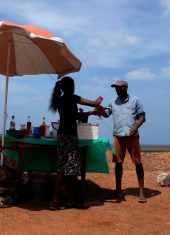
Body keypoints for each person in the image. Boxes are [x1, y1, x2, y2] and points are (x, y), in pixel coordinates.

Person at [48, 76, 102, 210]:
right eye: (72, 86)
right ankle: (55, 200)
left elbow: (77, 113)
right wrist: (96, 106)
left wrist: (94, 108)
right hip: (69, 136)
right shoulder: (71, 98)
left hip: (63, 136)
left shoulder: (60, 100)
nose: (74, 88)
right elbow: (80, 113)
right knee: (65, 169)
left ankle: (70, 199)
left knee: (68, 168)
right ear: (67, 87)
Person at [102, 80, 147, 203]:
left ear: (126, 87)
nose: (117, 89)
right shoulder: (112, 101)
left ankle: (141, 191)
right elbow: (106, 114)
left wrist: (136, 127)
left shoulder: (135, 100)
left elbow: (142, 116)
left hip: (132, 136)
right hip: (118, 136)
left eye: (119, 87)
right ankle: (118, 190)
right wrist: (99, 109)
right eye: (115, 88)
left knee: (138, 162)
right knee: (118, 163)